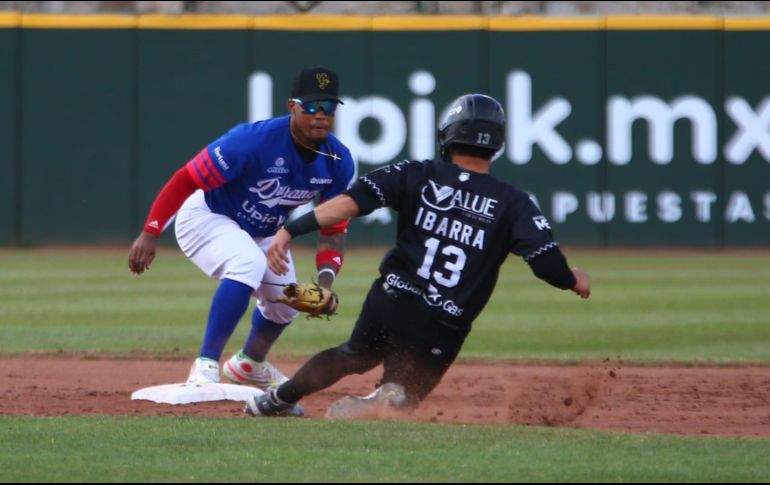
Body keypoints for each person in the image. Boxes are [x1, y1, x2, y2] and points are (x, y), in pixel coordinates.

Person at [243, 93, 591, 418]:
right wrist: (573, 279)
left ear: (449, 134)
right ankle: (389, 394)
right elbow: (546, 263)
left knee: (353, 354)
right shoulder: (514, 202)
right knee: (405, 400)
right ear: (497, 142)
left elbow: (348, 205)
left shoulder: (416, 173)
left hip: (393, 299)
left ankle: (277, 399)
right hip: (446, 321)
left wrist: (290, 230)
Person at [128, 66, 355, 389]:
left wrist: (325, 283)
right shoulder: (252, 141)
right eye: (311, 106)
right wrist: (150, 232)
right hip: (206, 217)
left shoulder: (338, 160)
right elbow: (186, 179)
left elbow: (333, 230)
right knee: (248, 261)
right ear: (292, 106)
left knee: (287, 303)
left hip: (262, 234)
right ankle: (205, 366)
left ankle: (249, 364)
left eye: (328, 107)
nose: (320, 115)